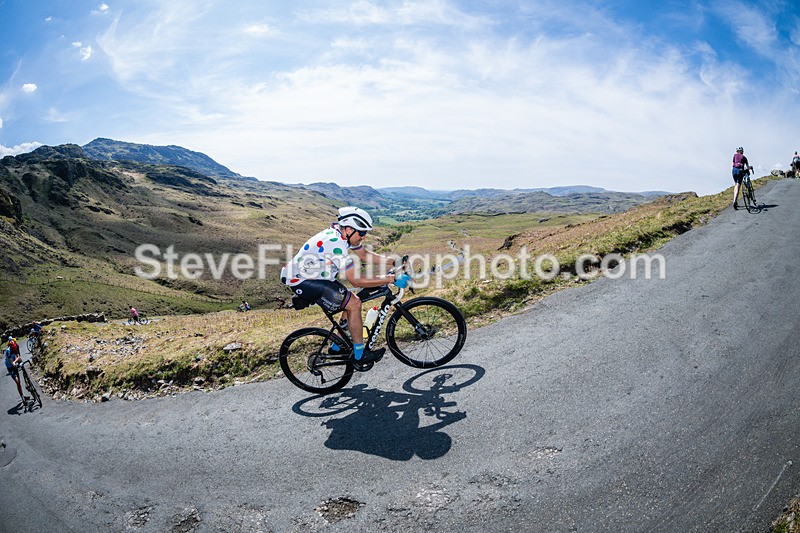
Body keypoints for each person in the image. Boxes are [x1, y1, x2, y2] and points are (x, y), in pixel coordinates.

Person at [280, 206, 410, 365]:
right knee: (354, 304)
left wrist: (394, 262)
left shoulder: (342, 235)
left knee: (351, 299)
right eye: (362, 233)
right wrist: (390, 278)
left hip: (317, 277)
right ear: (349, 229)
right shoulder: (335, 243)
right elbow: (356, 280)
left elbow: (364, 255)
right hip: (303, 281)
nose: (364, 237)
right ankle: (359, 355)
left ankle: (337, 346)